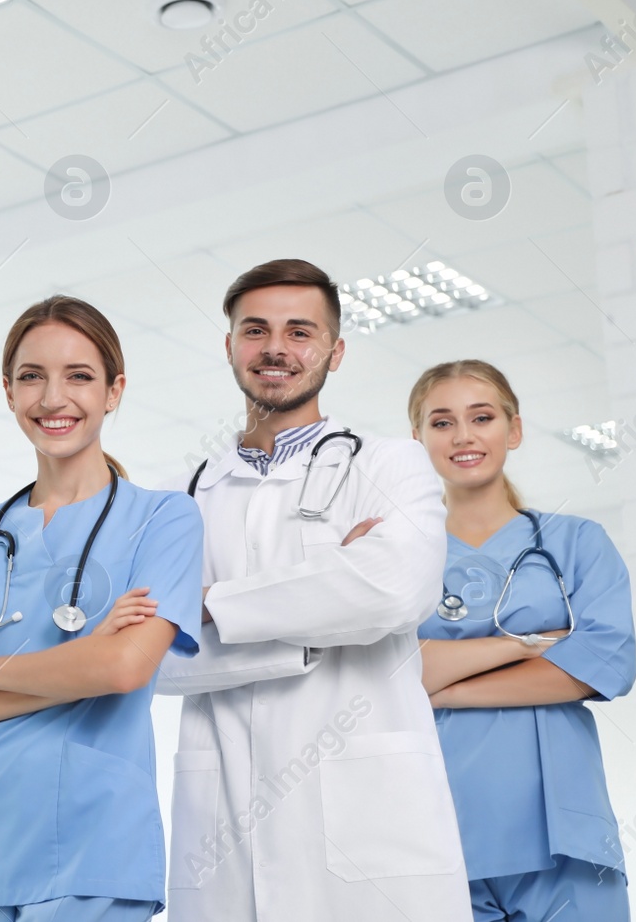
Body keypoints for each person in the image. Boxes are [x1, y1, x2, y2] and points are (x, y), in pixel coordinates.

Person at [155, 258, 470, 921]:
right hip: (225, 832)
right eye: (255, 329)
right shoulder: (180, 498)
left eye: (300, 331)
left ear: (335, 349)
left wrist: (211, 604)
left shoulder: (388, 462)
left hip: (370, 831)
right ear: (230, 345)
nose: (276, 347)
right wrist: (321, 609)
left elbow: (391, 592)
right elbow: (150, 659)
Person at [0, 295, 204, 921]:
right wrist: (80, 662)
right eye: (32, 376)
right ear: (8, 392)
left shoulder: (164, 518)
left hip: (93, 847)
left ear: (114, 391)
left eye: (79, 376)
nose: (52, 398)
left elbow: (123, 671)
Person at [410, 360, 636, 922]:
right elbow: (395, 672)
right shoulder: (398, 553)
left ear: (513, 430)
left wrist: (445, 688)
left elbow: (603, 664)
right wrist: (521, 645)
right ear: (417, 440)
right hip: (434, 825)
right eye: (441, 422)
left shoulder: (578, 541)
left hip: (563, 830)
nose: (463, 436)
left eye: (481, 417)